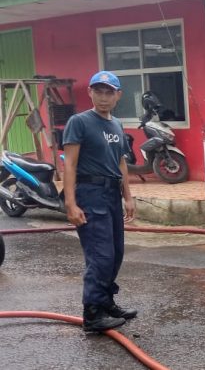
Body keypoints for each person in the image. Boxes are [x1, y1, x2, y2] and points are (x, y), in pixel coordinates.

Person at [63, 71, 137, 332]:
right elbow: (69, 164)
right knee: (100, 256)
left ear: (118, 96)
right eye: (99, 91)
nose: (103, 97)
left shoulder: (116, 125)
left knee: (115, 254)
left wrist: (128, 196)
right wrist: (70, 204)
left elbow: (121, 162)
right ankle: (92, 314)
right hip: (90, 192)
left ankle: (106, 302)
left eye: (109, 92)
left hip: (111, 194)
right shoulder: (79, 122)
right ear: (90, 93)